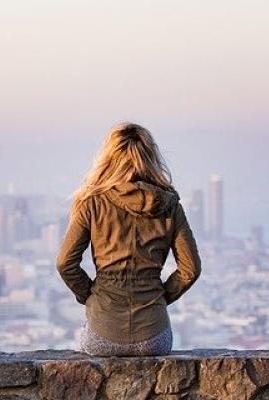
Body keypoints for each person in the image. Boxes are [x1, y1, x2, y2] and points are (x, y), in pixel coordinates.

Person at [56, 122, 201, 356]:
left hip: (103, 331)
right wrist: (159, 297)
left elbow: (65, 263)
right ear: (151, 157)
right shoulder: (170, 206)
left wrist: (91, 297)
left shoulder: (92, 203)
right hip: (154, 337)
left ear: (108, 158)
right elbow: (191, 269)